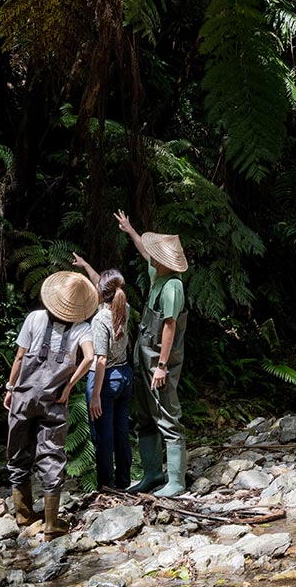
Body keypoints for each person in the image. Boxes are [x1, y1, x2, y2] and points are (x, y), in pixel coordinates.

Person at [3, 270, 98, 536]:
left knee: (18, 451)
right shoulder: (82, 328)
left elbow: (20, 358)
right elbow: (89, 358)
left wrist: (11, 388)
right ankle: (50, 524)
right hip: (54, 400)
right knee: (51, 455)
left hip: (24, 395)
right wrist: (69, 386)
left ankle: (23, 516)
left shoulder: (34, 318)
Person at [115, 209, 189, 496]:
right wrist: (130, 229)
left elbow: (169, 328)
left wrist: (162, 365)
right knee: (145, 416)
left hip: (160, 360)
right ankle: (151, 475)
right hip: (142, 356)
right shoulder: (157, 273)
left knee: (167, 416)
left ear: (165, 261)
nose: (152, 257)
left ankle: (176, 481)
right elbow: (144, 250)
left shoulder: (172, 287)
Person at [73, 253, 133, 491]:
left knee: (103, 437)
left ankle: (106, 487)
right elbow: (104, 285)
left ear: (101, 292)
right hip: (125, 377)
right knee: (121, 432)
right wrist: (87, 265)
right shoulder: (123, 307)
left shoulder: (100, 319)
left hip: (106, 380)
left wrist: (96, 394)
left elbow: (100, 360)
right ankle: (124, 483)